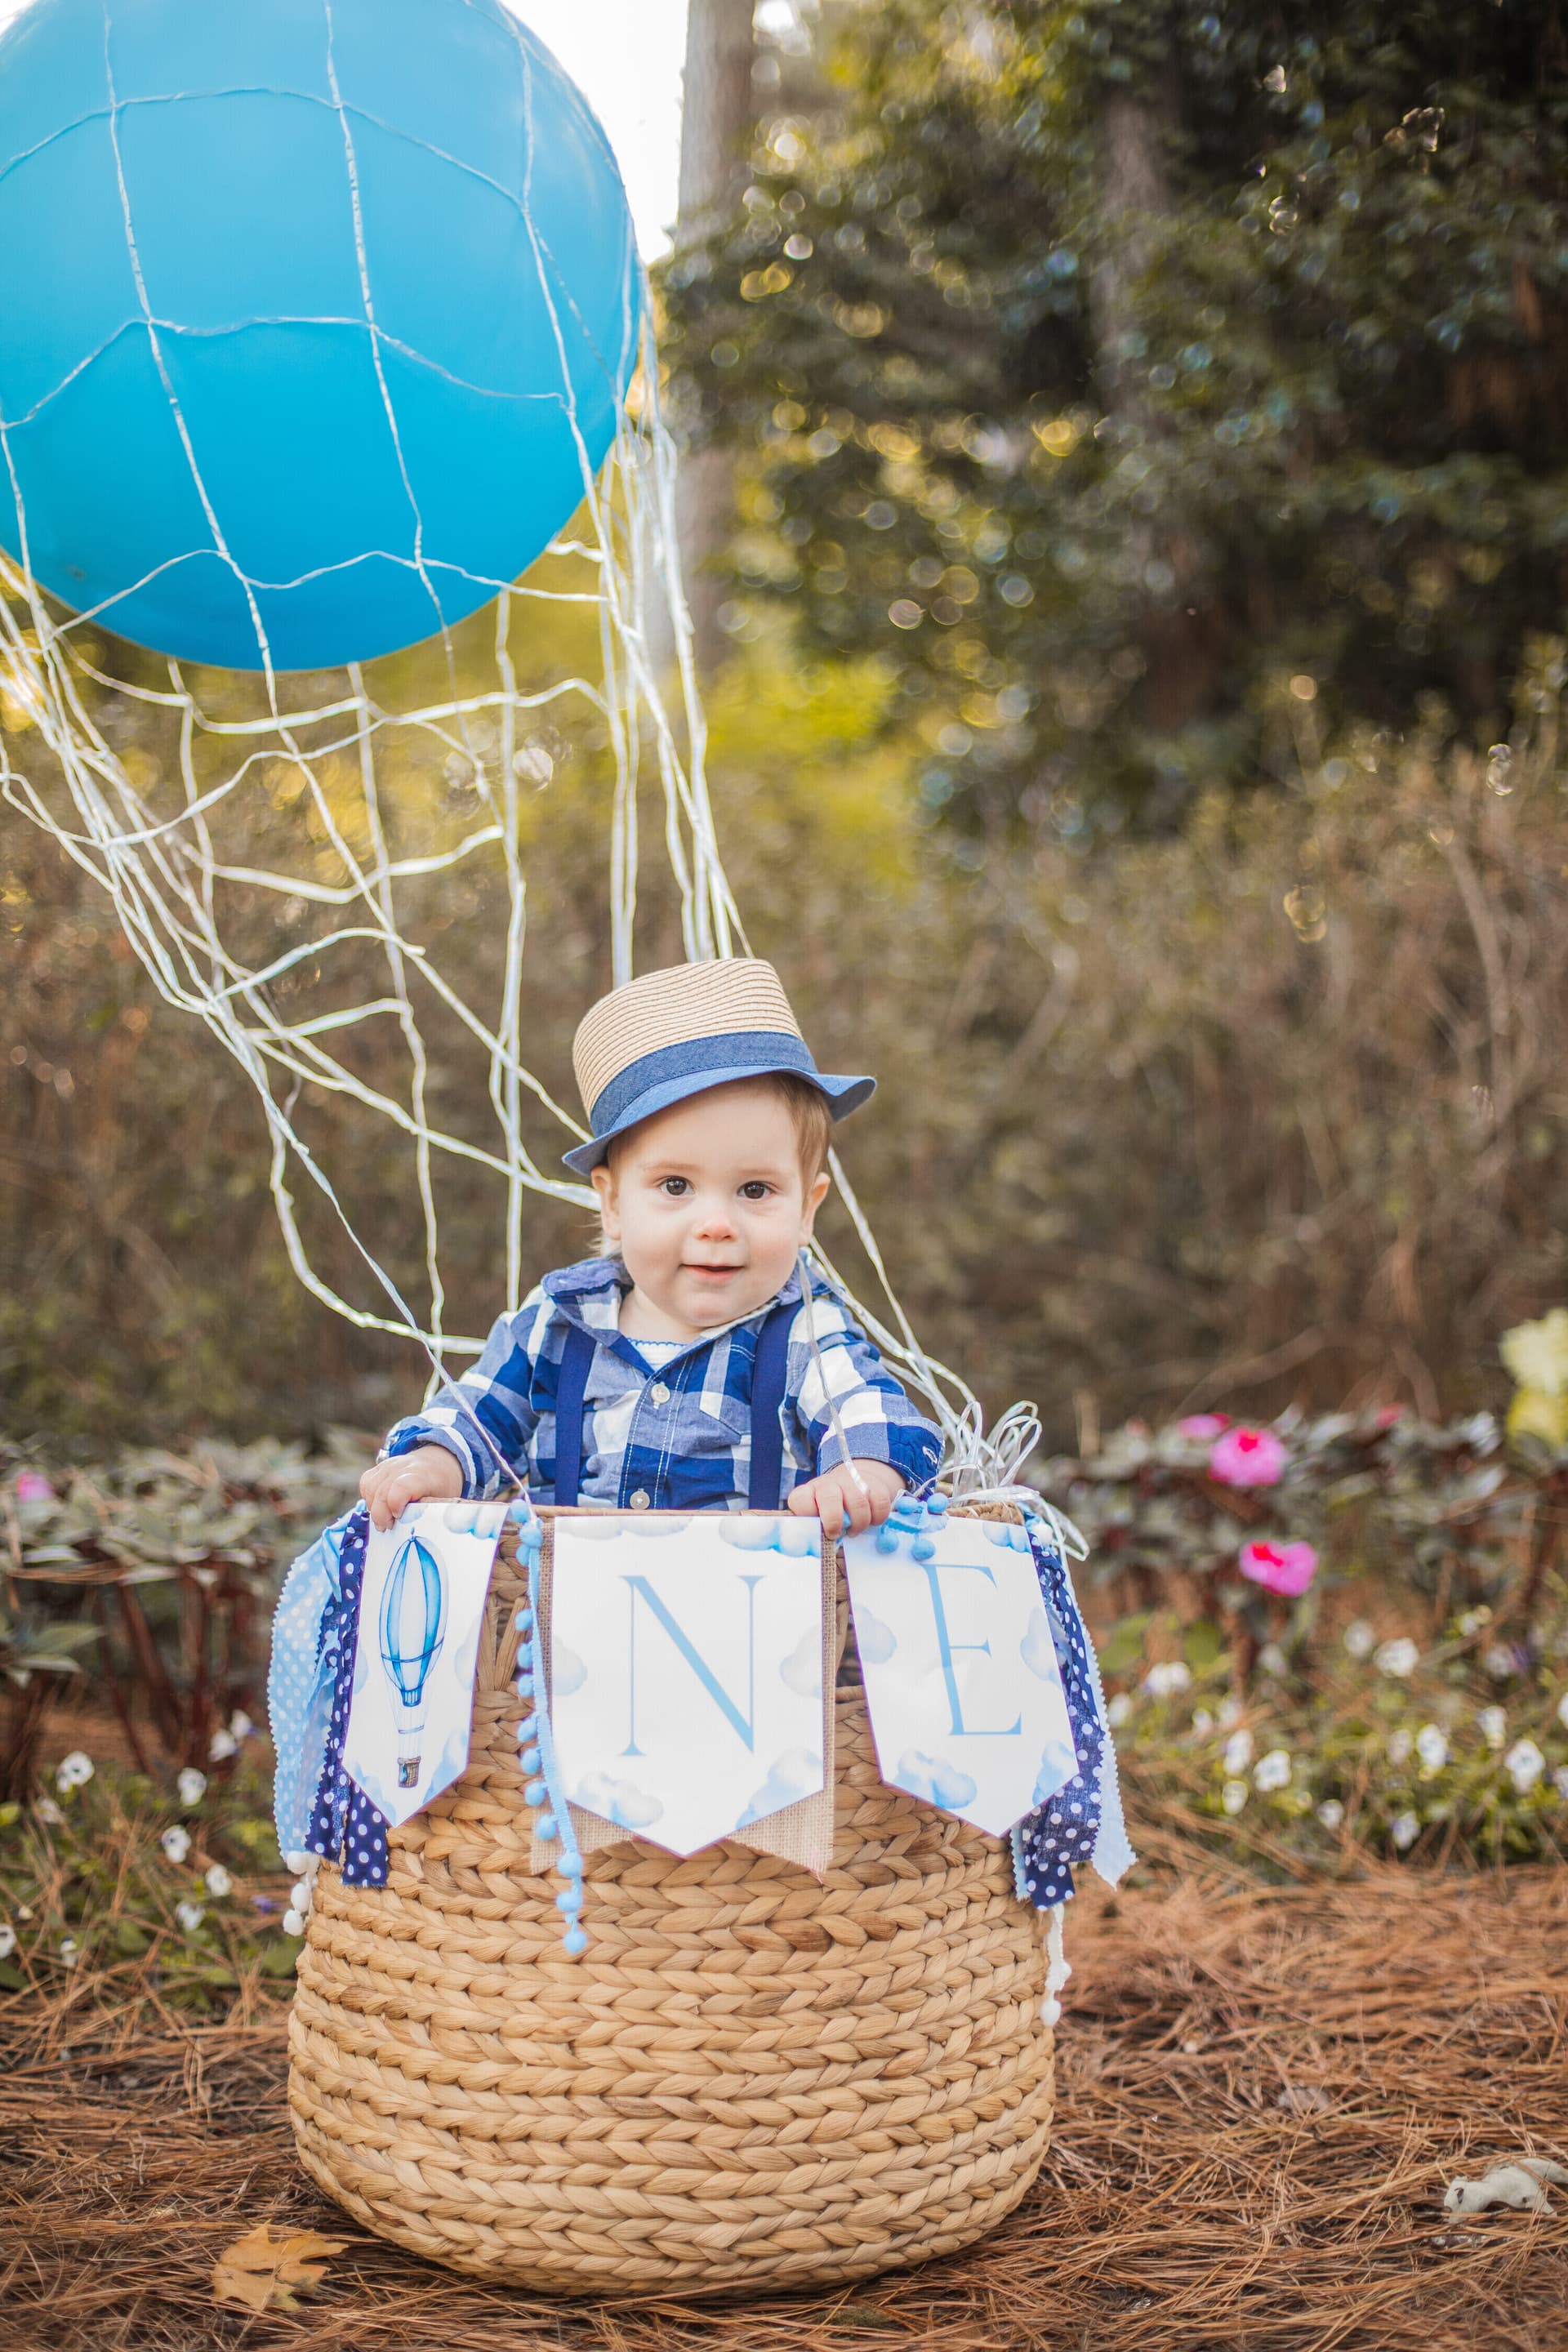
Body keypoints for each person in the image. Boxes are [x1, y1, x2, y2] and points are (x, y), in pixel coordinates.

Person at [359, 957, 941, 1535]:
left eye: (755, 1189)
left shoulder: (804, 1333)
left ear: (807, 1209)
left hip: (750, 1617)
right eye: (676, 1186)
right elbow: (477, 1414)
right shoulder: (558, 1323)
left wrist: (862, 1471)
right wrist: (434, 1464)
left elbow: (868, 1411)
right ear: (612, 1204)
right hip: (563, 1615)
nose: (716, 1224)